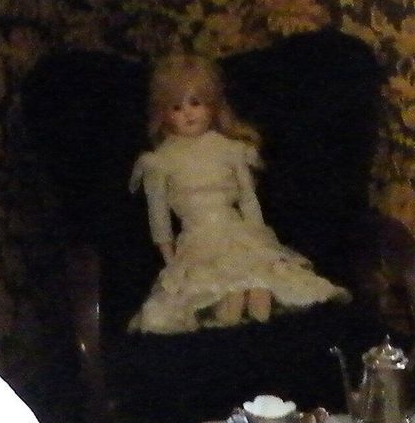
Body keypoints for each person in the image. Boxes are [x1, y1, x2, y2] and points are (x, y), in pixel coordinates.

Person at [129, 53, 347, 334]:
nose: (188, 113)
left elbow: (248, 198)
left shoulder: (231, 150)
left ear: (212, 105)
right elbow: (159, 219)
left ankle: (259, 321)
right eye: (177, 107)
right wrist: (171, 263)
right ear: (164, 113)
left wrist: (259, 236)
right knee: (214, 289)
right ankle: (236, 322)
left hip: (238, 232)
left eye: (195, 103)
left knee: (260, 279)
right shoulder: (159, 161)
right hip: (197, 240)